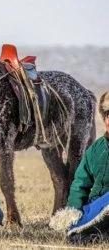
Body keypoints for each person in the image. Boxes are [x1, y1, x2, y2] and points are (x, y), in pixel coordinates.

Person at [49, 91, 109, 244]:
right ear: (104, 119)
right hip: (95, 206)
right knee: (76, 234)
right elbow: (80, 184)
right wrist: (73, 210)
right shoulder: (94, 150)